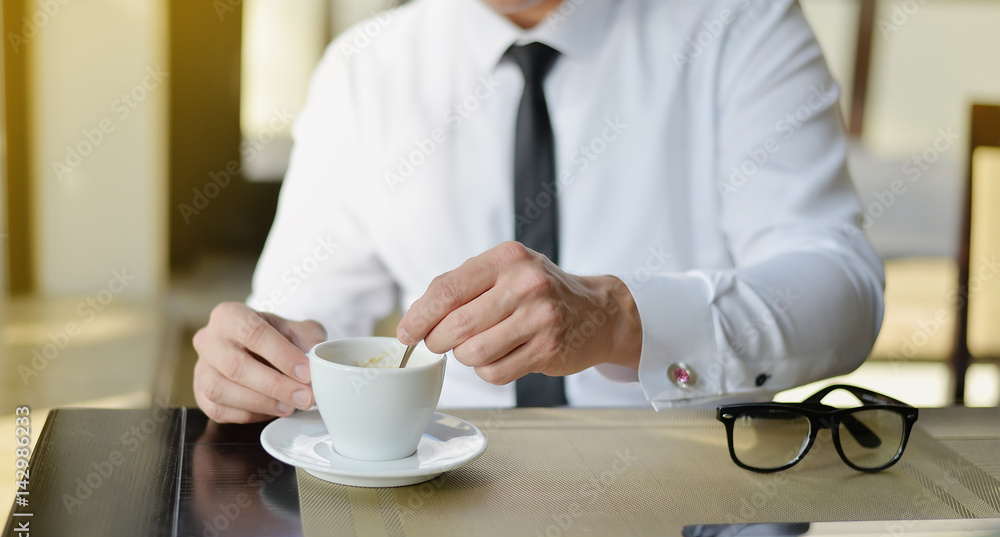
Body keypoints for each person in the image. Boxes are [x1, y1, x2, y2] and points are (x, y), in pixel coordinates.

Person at [192, 0, 885, 425]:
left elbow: (843, 291)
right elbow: (301, 319)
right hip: (436, 493)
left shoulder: (744, 24)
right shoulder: (364, 69)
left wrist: (620, 318)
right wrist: (256, 360)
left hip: (695, 495)